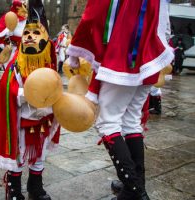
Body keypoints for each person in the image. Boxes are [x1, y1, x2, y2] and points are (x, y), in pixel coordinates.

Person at [66, 0, 174, 199]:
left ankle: (135, 190)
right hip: (150, 53)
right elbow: (164, 22)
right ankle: (134, 185)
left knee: (108, 123)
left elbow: (94, 14)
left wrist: (75, 49)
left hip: (125, 51)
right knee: (131, 121)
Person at [0, 1, 59, 200]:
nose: (30, 36)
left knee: (40, 155)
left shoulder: (49, 65)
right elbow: (7, 90)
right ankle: (14, 191)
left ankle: (35, 188)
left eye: (36, 33)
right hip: (21, 123)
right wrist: (29, 93)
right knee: (18, 157)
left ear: (46, 39)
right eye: (27, 33)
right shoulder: (16, 67)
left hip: (43, 121)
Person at [0, 0, 28, 69]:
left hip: (24, 51)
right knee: (10, 72)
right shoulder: (9, 17)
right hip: (12, 51)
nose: (24, 9)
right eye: (22, 7)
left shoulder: (27, 20)